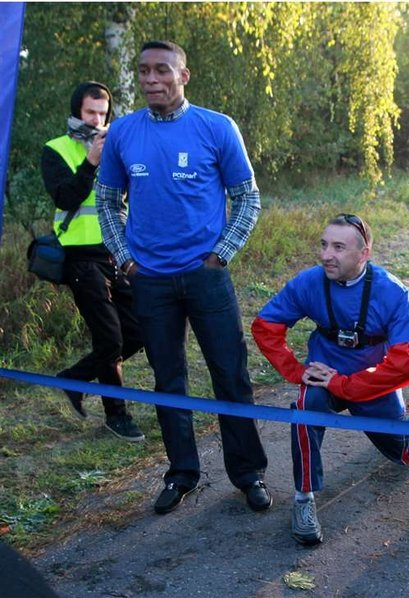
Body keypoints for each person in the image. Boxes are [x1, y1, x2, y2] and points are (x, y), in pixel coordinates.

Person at [95, 41, 271, 515]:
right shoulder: (124, 133)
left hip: (206, 277)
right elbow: (107, 202)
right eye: (144, 71)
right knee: (167, 379)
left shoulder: (216, 127)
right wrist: (126, 261)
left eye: (162, 70)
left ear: (183, 75)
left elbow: (247, 198)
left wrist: (219, 255)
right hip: (149, 281)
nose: (152, 79)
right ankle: (182, 473)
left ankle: (248, 472)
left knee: (230, 375)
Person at [252, 214, 409, 546]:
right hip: (323, 378)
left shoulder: (393, 292)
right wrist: (296, 371)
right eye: (324, 245)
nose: (327, 254)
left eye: (339, 247)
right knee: (304, 406)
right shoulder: (308, 283)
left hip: (372, 383)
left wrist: (345, 384)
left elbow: (404, 365)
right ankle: (304, 500)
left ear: (363, 253)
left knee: (405, 455)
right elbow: (265, 327)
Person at [42, 81, 145, 442]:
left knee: (138, 331)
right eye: (91, 113)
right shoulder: (55, 150)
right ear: (76, 113)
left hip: (117, 253)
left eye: (103, 114)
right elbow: (64, 196)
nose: (98, 120)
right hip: (79, 259)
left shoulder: (116, 148)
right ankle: (117, 415)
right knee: (110, 337)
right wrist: (90, 162)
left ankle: (74, 378)